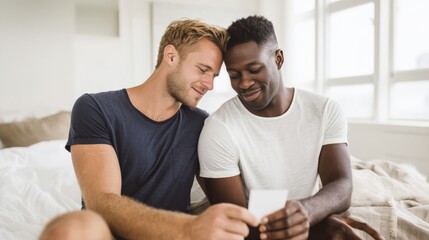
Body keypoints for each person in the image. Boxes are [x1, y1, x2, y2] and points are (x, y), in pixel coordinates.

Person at [40, 18, 259, 240]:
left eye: (214, 76)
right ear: (171, 56)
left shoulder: (202, 124)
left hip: (174, 237)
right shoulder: (96, 108)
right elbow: (101, 201)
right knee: (70, 229)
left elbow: (224, 195)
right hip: (118, 234)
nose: (209, 85)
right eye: (203, 70)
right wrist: (187, 229)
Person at [197, 15, 385, 240]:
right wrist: (317, 227)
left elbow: (342, 185)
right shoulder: (219, 129)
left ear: (278, 59)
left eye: (254, 69)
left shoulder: (324, 109)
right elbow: (237, 225)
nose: (244, 83)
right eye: (234, 75)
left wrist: (307, 211)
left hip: (308, 212)